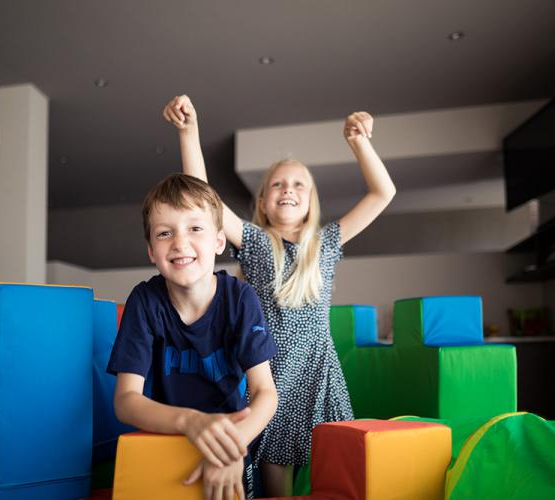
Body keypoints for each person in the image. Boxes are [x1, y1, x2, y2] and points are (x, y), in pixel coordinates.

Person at [162, 95, 396, 496]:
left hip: (319, 368)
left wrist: (360, 142)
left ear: (310, 202)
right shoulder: (254, 241)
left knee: (339, 465)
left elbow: (382, 193)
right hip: (268, 372)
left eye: (298, 184)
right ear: (263, 203)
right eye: (277, 184)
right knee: (275, 473)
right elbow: (202, 198)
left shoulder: (326, 242)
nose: (288, 189)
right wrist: (189, 132)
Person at [107, 173, 279, 500]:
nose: (180, 243)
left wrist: (232, 447)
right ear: (150, 250)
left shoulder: (240, 298)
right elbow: (125, 401)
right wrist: (190, 421)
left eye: (195, 228)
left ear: (218, 241)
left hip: (231, 441)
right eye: (164, 232)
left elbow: (266, 393)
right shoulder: (145, 301)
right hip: (165, 437)